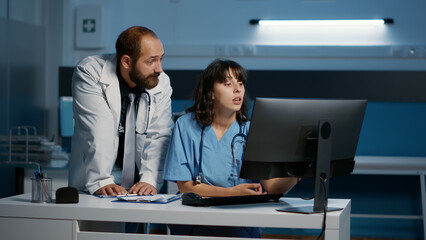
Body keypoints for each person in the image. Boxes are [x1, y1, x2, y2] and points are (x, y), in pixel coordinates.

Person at [163, 59, 297, 238]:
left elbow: (272, 187)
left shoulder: (251, 131)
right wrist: (232, 193)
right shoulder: (185, 126)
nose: (237, 89)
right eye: (228, 84)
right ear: (211, 92)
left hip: (239, 224)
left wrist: (301, 169)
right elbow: (185, 186)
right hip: (196, 225)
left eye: (240, 84)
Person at [69, 26, 174, 198]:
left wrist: (149, 179)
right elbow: (98, 130)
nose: (159, 69)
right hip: (102, 172)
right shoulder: (90, 72)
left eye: (161, 59)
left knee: (134, 223)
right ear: (126, 61)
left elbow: (160, 135)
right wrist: (102, 180)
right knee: (98, 223)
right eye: (151, 61)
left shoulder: (160, 82)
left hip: (140, 175)